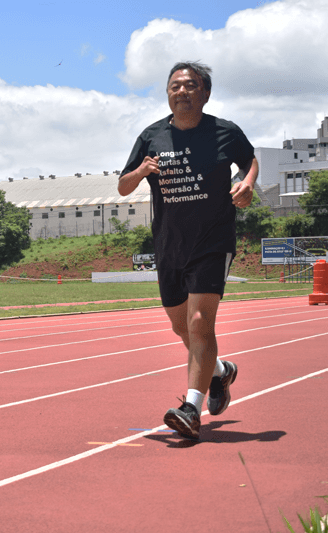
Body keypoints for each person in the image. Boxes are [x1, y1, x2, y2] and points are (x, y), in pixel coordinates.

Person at [118, 61, 259, 440]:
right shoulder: (151, 137)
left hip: (212, 240)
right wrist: (141, 171)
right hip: (169, 243)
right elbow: (123, 187)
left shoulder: (224, 132)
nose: (182, 91)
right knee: (181, 325)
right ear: (168, 93)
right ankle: (219, 372)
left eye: (190, 85)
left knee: (200, 322)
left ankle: (191, 409)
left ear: (205, 93)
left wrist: (246, 185)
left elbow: (249, 161)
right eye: (175, 86)